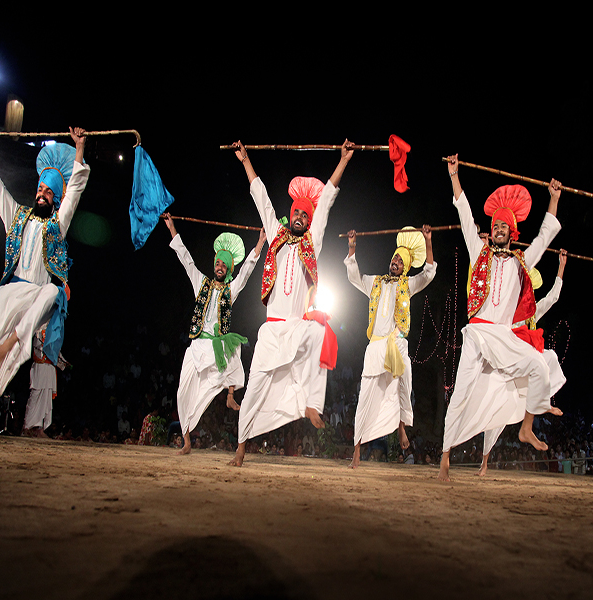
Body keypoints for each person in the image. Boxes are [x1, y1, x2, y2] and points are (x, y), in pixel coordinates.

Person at [228, 140, 354, 467]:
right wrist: (245, 161)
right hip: (272, 330)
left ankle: (312, 403)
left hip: (297, 325)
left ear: (308, 220)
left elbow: (325, 203)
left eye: (304, 214)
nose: (299, 216)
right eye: (296, 211)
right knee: (255, 388)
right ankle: (241, 447)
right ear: (291, 214)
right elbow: (262, 200)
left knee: (320, 331)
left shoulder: (314, 242)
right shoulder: (276, 237)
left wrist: (342, 161)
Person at [439, 154, 562, 481]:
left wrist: (554, 199)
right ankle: (445, 455)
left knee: (539, 365)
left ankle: (526, 427)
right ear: (491, 231)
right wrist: (454, 176)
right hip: (478, 335)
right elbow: (466, 217)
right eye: (495, 226)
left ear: (512, 232)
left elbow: (544, 237)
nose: (498, 230)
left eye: (504, 227)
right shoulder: (479, 253)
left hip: (505, 337)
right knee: (461, 392)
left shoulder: (523, 262)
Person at [0, 126, 89, 442]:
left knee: (52, 291)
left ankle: (15, 340)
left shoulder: (58, 225)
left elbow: (75, 191)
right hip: (13, 291)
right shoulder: (17, 216)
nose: (41, 195)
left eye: (48, 193)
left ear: (55, 198)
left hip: (38, 292)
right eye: (39, 190)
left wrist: (79, 150)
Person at [164, 213, 266, 455]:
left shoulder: (231, 290)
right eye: (217, 263)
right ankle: (186, 441)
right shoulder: (201, 283)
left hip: (215, 348)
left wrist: (260, 243)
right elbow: (186, 259)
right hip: (196, 347)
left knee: (234, 346)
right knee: (182, 392)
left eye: (224, 265)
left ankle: (230, 394)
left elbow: (247, 271)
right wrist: (171, 227)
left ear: (228, 268)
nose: (219, 267)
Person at [344, 225, 436, 468]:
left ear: (405, 266)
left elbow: (428, 273)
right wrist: (352, 247)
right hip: (375, 347)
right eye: (394, 257)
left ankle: (401, 430)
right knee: (365, 397)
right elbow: (354, 277)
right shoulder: (375, 282)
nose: (395, 261)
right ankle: (356, 451)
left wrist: (428, 241)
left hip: (397, 343)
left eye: (400, 260)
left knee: (403, 386)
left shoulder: (409, 285)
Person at [477, 250, 568, 476]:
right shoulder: (504, 310)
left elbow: (553, 297)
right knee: (494, 417)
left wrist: (561, 266)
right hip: (506, 364)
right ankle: (484, 462)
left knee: (550, 358)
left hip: (526, 364)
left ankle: (535, 414)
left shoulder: (533, 312)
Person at [22, 323, 68, 437]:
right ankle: (27, 426)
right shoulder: (39, 330)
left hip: (50, 368)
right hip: (40, 367)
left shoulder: (55, 331)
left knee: (47, 398)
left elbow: (56, 350)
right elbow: (40, 345)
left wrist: (63, 362)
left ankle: (41, 428)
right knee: (36, 395)